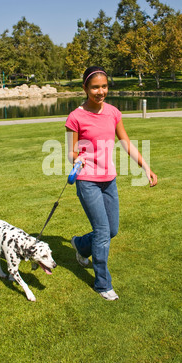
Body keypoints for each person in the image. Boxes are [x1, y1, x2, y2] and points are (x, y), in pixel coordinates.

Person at [65, 66, 157, 301]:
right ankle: (103, 284)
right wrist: (77, 160)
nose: (100, 91)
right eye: (95, 87)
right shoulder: (75, 117)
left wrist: (145, 167)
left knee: (112, 230)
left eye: (104, 86)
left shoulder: (114, 112)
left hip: (109, 180)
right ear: (85, 88)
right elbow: (70, 151)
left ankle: (80, 244)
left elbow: (125, 141)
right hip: (87, 181)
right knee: (103, 232)